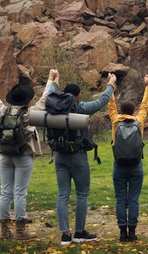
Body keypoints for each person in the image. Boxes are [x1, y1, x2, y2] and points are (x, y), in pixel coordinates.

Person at [0, 68, 57, 240]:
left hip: (4, 156)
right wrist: (50, 79)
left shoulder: (3, 111)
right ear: (26, 100)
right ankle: (20, 230)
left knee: (5, 192)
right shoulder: (29, 114)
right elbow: (45, 99)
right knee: (20, 192)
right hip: (23, 155)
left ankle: (4, 230)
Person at [50, 72, 117, 246]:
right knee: (82, 194)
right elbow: (101, 102)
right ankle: (79, 232)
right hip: (78, 156)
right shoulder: (79, 107)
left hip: (60, 157)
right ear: (78, 96)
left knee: (63, 194)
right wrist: (110, 84)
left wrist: (54, 80)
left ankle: (65, 235)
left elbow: (49, 92)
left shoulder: (55, 107)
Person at [107, 74, 148, 242]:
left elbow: (110, 105)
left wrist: (111, 85)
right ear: (133, 111)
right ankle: (132, 232)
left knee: (121, 199)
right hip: (136, 164)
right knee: (133, 199)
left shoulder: (115, 120)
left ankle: (122, 232)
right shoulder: (138, 121)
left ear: (121, 111)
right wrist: (147, 86)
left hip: (119, 165)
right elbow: (144, 106)